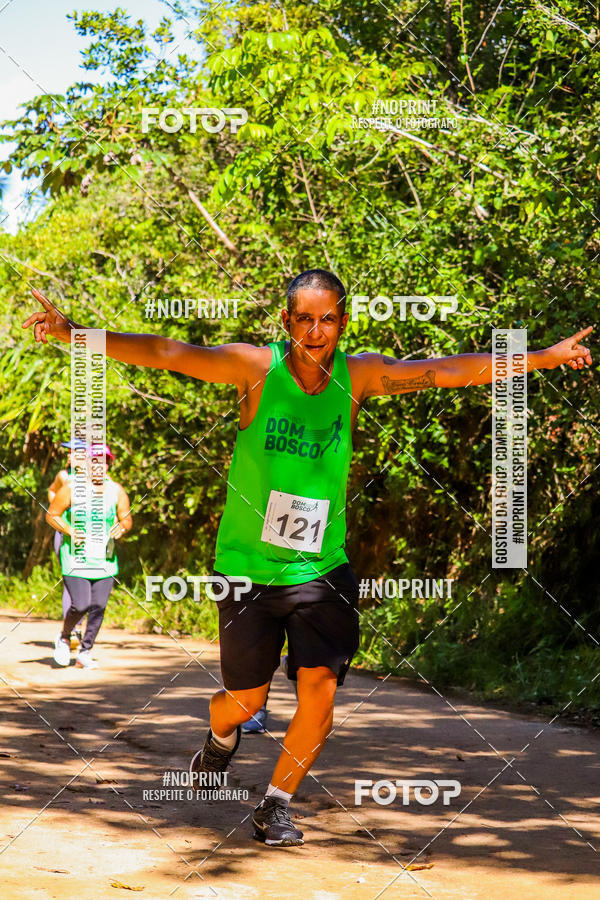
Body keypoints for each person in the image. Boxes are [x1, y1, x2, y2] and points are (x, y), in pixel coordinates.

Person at [23, 272, 593, 845]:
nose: (316, 332)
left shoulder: (358, 374)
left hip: (321, 569)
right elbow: (171, 352)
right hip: (247, 569)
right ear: (286, 322)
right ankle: (220, 739)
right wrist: (79, 336)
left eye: (328, 319)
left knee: (320, 686)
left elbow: (447, 370)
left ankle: (276, 804)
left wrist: (541, 357)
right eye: (304, 319)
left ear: (343, 323)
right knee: (244, 702)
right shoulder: (254, 369)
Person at [45, 442, 132, 669]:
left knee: (99, 606)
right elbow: (52, 515)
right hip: (75, 558)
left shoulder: (116, 491)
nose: (98, 467)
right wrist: (70, 530)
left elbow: (126, 517)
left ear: (108, 465)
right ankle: (64, 637)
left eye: (103, 462)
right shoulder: (71, 488)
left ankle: (85, 650)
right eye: (94, 462)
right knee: (81, 604)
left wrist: (122, 527)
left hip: (105, 560)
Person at [48, 439, 86, 649]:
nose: (69, 457)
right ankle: (72, 630)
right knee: (70, 579)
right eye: (68, 453)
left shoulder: (95, 478)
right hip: (65, 534)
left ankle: (75, 627)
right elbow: (52, 491)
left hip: (86, 535)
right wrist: (60, 512)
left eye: (74, 453)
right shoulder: (64, 477)